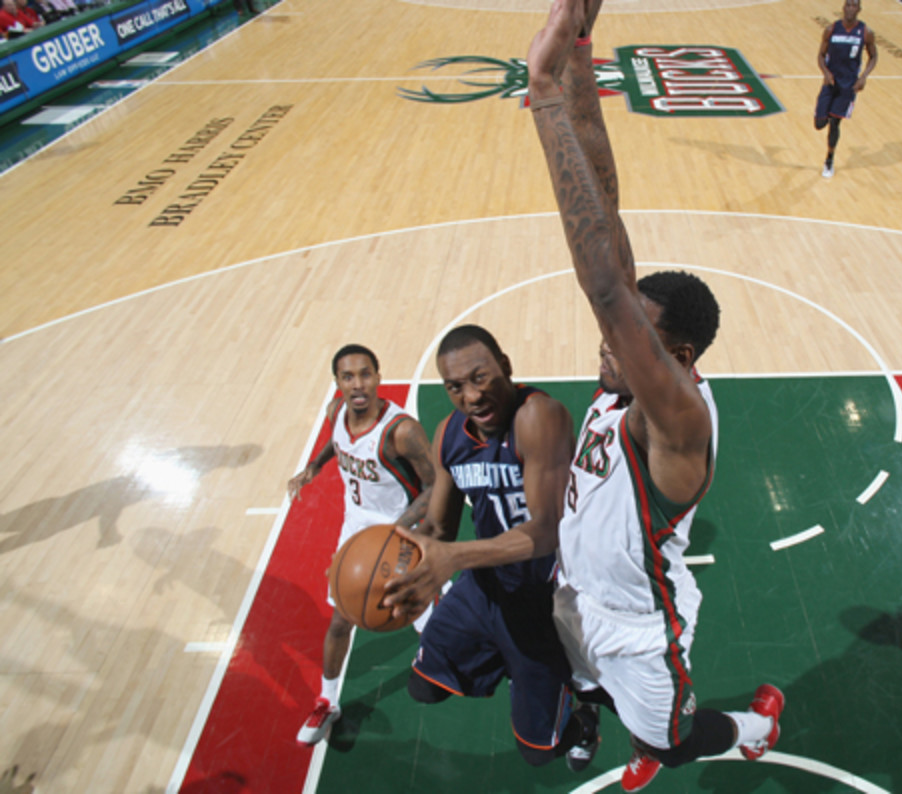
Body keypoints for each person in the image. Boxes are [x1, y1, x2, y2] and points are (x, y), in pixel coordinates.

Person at [525, 1, 785, 791]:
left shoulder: (677, 420)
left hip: (643, 628)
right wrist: (578, 52)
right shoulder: (644, 374)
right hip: (582, 591)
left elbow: (604, 285)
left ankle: (753, 727)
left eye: (634, 335)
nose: (612, 339)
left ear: (673, 356)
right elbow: (603, 199)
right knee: (592, 685)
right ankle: (638, 719)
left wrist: (540, 91)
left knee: (671, 743)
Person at [381, 325, 598, 768]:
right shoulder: (449, 435)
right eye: (455, 387)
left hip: (546, 595)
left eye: (480, 378)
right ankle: (511, 662)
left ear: (506, 367)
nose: (471, 397)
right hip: (484, 585)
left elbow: (547, 530)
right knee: (424, 686)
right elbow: (440, 529)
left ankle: (582, 720)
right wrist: (397, 571)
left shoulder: (539, 418)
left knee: (540, 752)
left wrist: (455, 557)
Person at [287, 343, 437, 746]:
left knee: (427, 621)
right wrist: (314, 467)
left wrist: (396, 530)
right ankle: (327, 701)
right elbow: (338, 444)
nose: (358, 384)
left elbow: (435, 486)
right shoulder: (336, 412)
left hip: (399, 531)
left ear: (378, 376)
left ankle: (456, 650)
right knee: (341, 618)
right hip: (355, 528)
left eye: (365, 374)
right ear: (337, 382)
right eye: (348, 376)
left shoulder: (401, 432)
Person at [814, 0, 878, 178]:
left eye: (854, 5)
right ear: (843, 8)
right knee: (819, 124)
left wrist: (864, 77)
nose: (850, 8)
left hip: (848, 85)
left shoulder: (865, 32)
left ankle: (829, 159)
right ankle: (827, 113)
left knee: (835, 123)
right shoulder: (831, 29)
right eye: (848, 4)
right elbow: (820, 55)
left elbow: (873, 56)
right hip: (830, 81)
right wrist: (825, 72)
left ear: (859, 9)